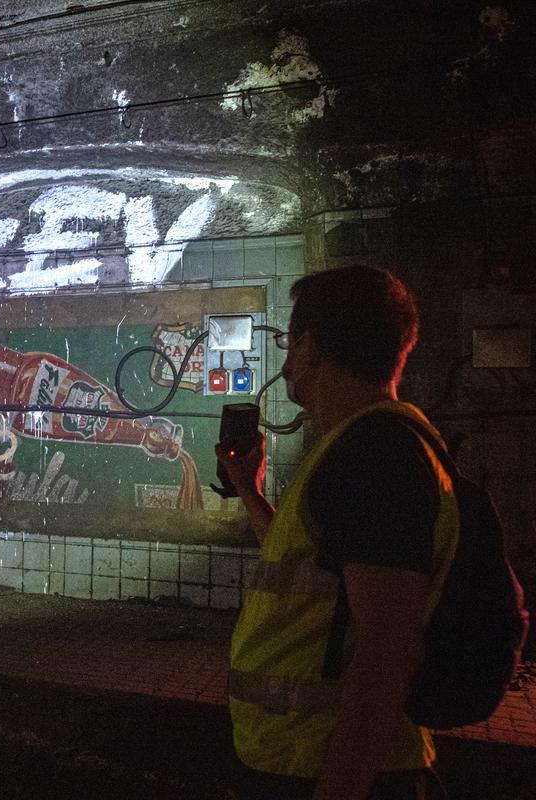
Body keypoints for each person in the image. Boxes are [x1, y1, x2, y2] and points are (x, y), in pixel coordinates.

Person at [218, 266, 456, 800]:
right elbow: (319, 573)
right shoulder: (360, 445)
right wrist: (248, 488)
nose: (285, 358)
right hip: (302, 759)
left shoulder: (376, 453)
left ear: (309, 347)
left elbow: (388, 644)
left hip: (331, 768)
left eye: (287, 340)